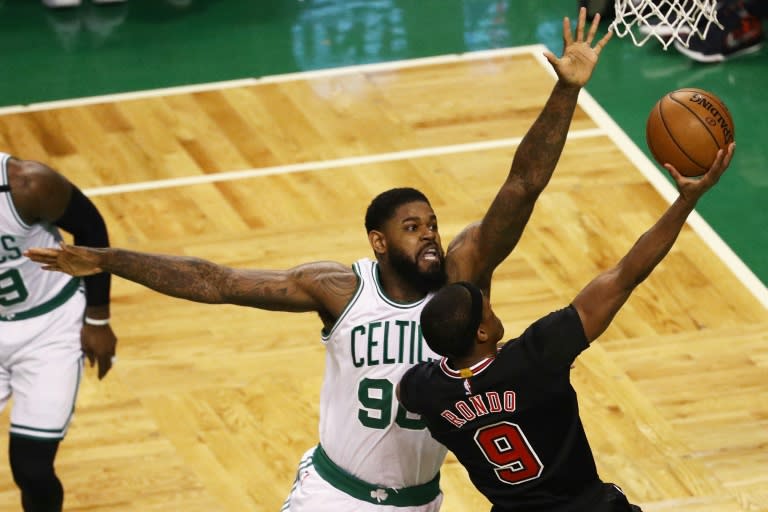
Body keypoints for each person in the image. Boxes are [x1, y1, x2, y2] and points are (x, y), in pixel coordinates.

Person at [25, 8, 612, 511]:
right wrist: (109, 258)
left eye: (432, 224)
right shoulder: (337, 290)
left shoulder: (462, 278)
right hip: (335, 496)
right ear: (379, 243)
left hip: (420, 499)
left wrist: (566, 89)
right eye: (412, 228)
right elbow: (217, 281)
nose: (429, 236)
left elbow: (521, 186)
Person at [396, 143, 735, 512]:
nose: (491, 305)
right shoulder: (536, 357)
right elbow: (625, 275)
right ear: (481, 333)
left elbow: (406, 390)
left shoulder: (426, 389)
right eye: (486, 307)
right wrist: (685, 201)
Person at [0, 152, 117, 512]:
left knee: (32, 468)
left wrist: (97, 318)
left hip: (50, 329)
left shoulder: (27, 184)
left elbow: (92, 230)